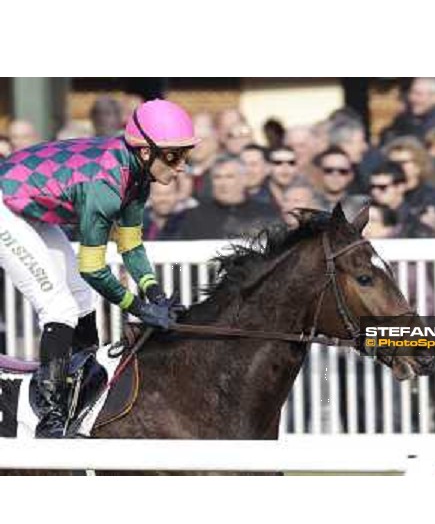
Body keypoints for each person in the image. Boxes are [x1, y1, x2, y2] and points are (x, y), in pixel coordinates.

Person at [0, 99, 198, 437]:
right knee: (58, 307)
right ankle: (51, 416)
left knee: (82, 300)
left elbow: (131, 245)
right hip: (6, 205)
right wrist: (138, 307)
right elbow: (93, 267)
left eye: (185, 154)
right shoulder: (105, 184)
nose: (181, 165)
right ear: (146, 152)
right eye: (173, 155)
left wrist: (155, 292)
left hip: (26, 202)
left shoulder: (137, 176)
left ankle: (81, 386)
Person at [178, 155, 280, 239]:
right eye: (217, 177)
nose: (223, 183)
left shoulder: (267, 212)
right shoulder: (194, 215)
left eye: (229, 177)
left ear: (244, 179)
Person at [379, 78, 435, 145]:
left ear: (434, 97)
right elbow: (386, 136)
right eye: (411, 93)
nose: (412, 98)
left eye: (417, 94)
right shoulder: (405, 117)